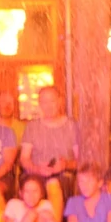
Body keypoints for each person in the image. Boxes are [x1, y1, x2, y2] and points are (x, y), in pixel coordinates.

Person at [21, 85, 80, 214]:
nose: (48, 106)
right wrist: (37, 169)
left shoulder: (72, 126)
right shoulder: (32, 127)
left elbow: (81, 161)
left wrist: (65, 165)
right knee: (32, 188)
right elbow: (24, 159)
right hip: (36, 174)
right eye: (44, 102)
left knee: (52, 184)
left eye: (52, 101)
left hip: (64, 176)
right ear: (39, 104)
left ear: (60, 101)